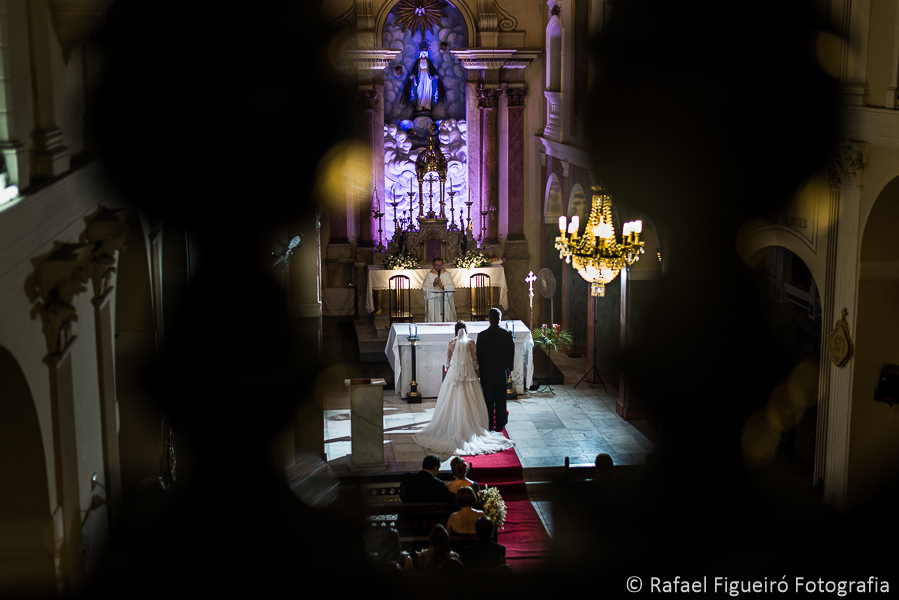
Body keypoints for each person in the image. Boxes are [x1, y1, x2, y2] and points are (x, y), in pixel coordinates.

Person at [412, 322, 515, 455]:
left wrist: (450, 369)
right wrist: (478, 371)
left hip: (455, 374)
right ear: (466, 330)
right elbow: (474, 360)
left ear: (455, 331)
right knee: (471, 397)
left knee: (452, 399)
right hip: (469, 375)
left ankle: (452, 426)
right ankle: (476, 425)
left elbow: (448, 359)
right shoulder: (471, 343)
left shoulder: (451, 343)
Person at [476, 308, 515, 431]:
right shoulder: (507, 334)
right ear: (500, 319)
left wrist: (480, 371)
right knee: (501, 398)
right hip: (501, 372)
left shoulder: (482, 335)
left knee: (488, 399)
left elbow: (479, 355)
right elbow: (511, 353)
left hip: (487, 373)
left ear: (489, 319)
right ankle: (501, 422)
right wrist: (509, 369)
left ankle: (489, 423)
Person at [422, 257, 456, 322]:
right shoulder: (429, 275)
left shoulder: (447, 274)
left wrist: (444, 287)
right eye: (437, 265)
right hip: (434, 302)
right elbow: (424, 288)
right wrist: (433, 284)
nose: (439, 267)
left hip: (444, 300)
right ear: (433, 265)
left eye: (440, 265)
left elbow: (452, 286)